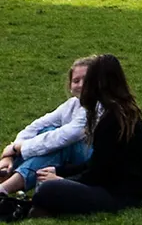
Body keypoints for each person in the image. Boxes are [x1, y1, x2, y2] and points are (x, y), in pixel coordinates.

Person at [27, 55, 142, 217]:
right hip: (118, 187)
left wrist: (61, 181)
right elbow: (95, 162)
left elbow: (97, 174)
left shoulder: (113, 120)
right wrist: (59, 171)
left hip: (118, 194)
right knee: (49, 186)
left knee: (49, 189)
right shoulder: (120, 112)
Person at [0, 58, 94, 196]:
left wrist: (17, 148)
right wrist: (9, 155)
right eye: (76, 81)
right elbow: (37, 125)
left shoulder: (96, 106)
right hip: (71, 158)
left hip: (91, 161)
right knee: (47, 132)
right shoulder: (72, 104)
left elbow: (67, 136)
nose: (80, 85)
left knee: (58, 143)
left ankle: (5, 187)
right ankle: (6, 173)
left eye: (86, 80)